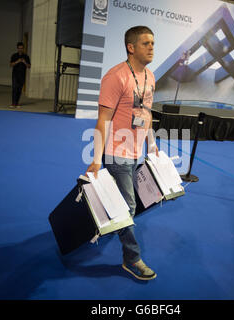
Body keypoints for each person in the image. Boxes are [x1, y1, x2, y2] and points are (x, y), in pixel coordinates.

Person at [85, 26, 158, 281]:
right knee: (128, 205)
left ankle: (103, 220)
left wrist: (151, 143)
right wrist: (96, 159)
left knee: (127, 202)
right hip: (116, 151)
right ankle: (132, 258)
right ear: (131, 47)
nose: (151, 47)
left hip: (136, 149)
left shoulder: (150, 76)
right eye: (146, 43)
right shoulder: (115, 77)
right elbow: (102, 120)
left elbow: (146, 113)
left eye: (153, 43)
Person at [9, 42, 31, 108]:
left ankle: (17, 103)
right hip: (15, 75)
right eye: (19, 48)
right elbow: (11, 65)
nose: (20, 49)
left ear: (23, 48)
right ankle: (13, 103)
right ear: (17, 48)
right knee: (14, 88)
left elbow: (29, 66)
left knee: (19, 89)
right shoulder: (14, 55)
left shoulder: (26, 56)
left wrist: (24, 62)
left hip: (22, 75)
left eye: (21, 48)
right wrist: (17, 61)